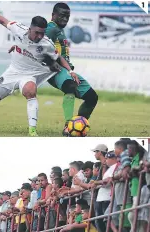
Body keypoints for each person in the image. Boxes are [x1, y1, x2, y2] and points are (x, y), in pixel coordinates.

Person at [0, 8, 80, 136]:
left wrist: (70, 71)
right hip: (12, 72)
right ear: (30, 28)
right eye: (37, 32)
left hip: (29, 75)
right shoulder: (19, 30)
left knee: (30, 91)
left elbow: (59, 57)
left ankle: (32, 130)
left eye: (42, 33)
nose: (39, 36)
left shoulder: (46, 44)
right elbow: (4, 21)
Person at [46, 2, 98, 136]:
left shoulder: (60, 29)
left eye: (67, 17)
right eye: (62, 16)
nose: (65, 19)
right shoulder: (50, 29)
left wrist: (70, 70)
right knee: (70, 86)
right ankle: (68, 126)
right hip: (54, 70)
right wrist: (50, 63)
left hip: (67, 70)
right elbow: (41, 49)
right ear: (53, 15)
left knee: (92, 97)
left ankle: (80, 126)